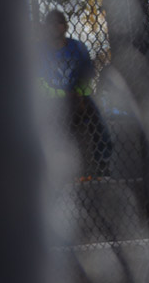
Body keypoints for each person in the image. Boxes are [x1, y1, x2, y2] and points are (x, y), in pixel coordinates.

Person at [40, 9, 112, 179]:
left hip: (77, 96)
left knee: (98, 118)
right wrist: (63, 94)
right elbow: (38, 83)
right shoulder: (40, 51)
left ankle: (102, 163)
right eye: (51, 23)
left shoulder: (78, 47)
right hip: (52, 98)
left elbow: (87, 77)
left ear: (65, 26)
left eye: (59, 22)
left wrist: (80, 95)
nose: (54, 26)